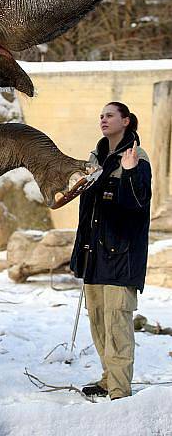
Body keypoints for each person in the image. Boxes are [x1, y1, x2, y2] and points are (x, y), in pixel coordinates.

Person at [70, 101, 152, 401]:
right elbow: (87, 211)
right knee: (100, 324)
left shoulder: (136, 158)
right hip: (95, 256)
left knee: (117, 326)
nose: (103, 119)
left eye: (110, 115)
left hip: (121, 256)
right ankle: (108, 380)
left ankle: (120, 391)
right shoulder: (96, 159)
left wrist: (129, 173)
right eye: (101, 115)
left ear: (126, 121)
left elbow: (138, 203)